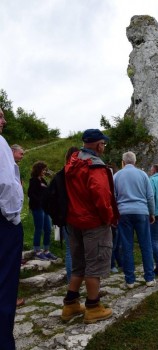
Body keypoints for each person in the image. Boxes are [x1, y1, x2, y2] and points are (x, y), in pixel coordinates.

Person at [61, 129, 119, 324]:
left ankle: (70, 305)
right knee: (94, 265)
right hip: (94, 222)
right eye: (103, 143)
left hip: (74, 220)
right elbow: (101, 196)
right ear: (97, 144)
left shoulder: (73, 162)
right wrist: (109, 218)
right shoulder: (95, 165)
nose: (104, 146)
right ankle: (93, 308)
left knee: (79, 265)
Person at [0, 107, 24, 349]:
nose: (4, 121)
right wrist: (13, 216)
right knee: (5, 286)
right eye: (0, 116)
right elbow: (6, 183)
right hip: (3, 223)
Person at [113, 151, 155, 288]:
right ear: (135, 162)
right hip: (141, 211)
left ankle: (130, 280)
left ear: (123, 162)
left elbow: (113, 197)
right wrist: (152, 213)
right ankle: (149, 278)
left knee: (127, 246)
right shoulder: (143, 175)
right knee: (146, 245)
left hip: (123, 213)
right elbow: (150, 196)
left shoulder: (116, 176)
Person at [28, 161, 57, 260]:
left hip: (45, 208)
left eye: (45, 169)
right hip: (37, 207)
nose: (44, 171)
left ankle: (46, 250)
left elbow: (48, 192)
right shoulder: (34, 180)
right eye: (43, 169)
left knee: (48, 229)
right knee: (39, 228)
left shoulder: (43, 181)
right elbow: (31, 194)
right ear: (38, 170)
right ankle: (37, 250)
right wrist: (40, 201)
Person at [11, 144, 25, 307]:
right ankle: (9, 297)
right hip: (9, 216)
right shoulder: (8, 165)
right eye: (20, 153)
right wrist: (12, 216)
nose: (22, 155)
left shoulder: (14, 167)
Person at [62, 146, 79, 283]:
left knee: (70, 250)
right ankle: (80, 281)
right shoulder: (81, 171)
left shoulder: (62, 173)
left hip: (66, 215)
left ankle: (70, 282)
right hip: (81, 215)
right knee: (82, 250)